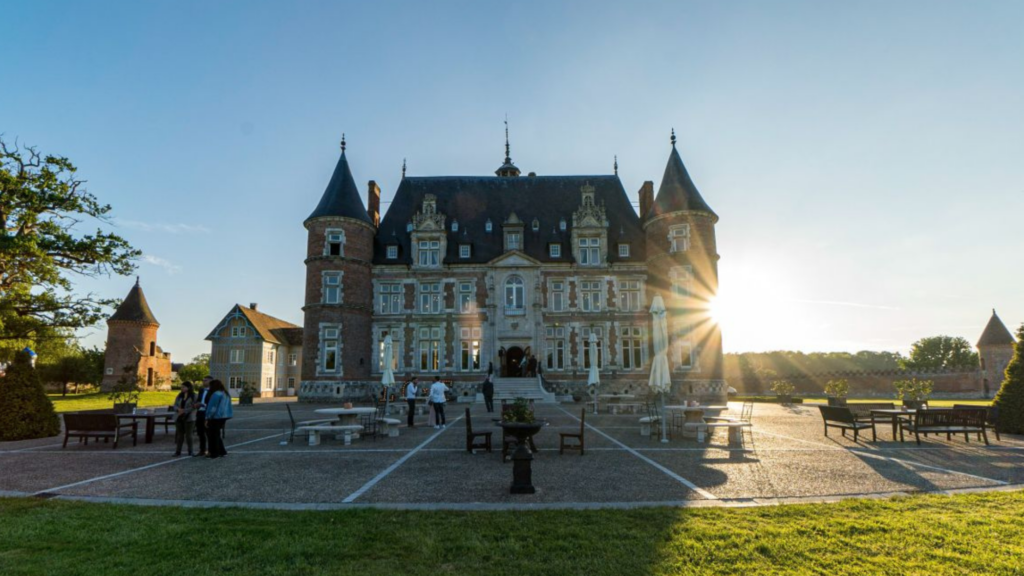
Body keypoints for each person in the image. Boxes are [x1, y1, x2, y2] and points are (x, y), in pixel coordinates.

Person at [204, 379, 233, 459]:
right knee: (217, 435)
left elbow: (212, 407)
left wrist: (207, 417)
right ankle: (222, 451)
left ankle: (214, 453)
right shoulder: (225, 393)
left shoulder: (216, 394)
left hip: (216, 417)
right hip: (224, 416)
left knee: (213, 435)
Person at [172, 382, 198, 457]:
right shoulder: (179, 395)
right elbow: (175, 405)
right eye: (181, 387)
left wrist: (184, 410)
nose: (182, 388)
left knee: (189, 435)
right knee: (180, 435)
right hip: (179, 417)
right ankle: (178, 451)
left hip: (189, 417)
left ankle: (190, 451)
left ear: (189, 387)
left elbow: (194, 406)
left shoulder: (194, 396)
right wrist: (178, 409)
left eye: (184, 387)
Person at [195, 376, 213, 456]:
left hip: (207, 412)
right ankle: (202, 450)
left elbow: (213, 403)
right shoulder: (201, 390)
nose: (203, 382)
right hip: (200, 412)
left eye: (205, 380)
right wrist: (197, 404)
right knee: (200, 432)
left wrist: (203, 404)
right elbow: (199, 399)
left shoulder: (213, 391)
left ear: (210, 381)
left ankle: (210, 450)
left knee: (208, 432)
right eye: (203, 380)